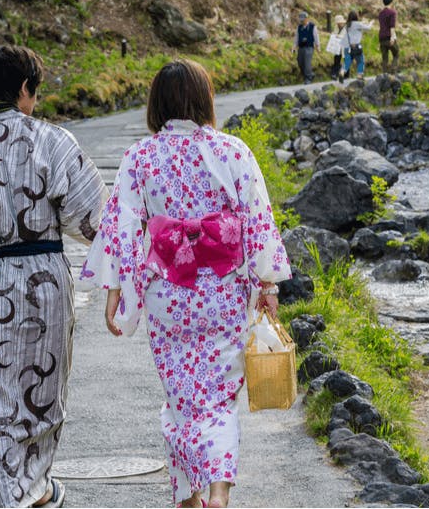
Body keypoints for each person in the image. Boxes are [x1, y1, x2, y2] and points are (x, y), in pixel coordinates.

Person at [81, 59, 292, 509]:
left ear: (157, 104)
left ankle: (188, 496)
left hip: (169, 295)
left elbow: (121, 226)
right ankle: (216, 491)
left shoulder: (141, 156)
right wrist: (269, 287)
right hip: (223, 293)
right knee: (217, 401)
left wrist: (115, 291)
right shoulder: (234, 152)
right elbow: (257, 220)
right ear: (204, 100)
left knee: (181, 399)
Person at [0, 44, 107, 508]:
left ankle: (16, 492)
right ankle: (34, 488)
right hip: (47, 277)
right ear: (25, 89)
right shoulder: (54, 140)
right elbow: (92, 218)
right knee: (45, 388)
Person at [340, 10, 372, 81]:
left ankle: (342, 72)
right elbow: (368, 28)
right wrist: (371, 23)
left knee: (347, 61)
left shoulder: (347, 25)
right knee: (360, 60)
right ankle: (359, 75)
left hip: (348, 46)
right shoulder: (357, 24)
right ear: (356, 16)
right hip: (356, 46)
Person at [292, 11, 319, 84]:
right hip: (301, 47)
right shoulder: (299, 27)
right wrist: (294, 47)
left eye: (303, 19)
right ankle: (310, 74)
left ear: (307, 19)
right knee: (300, 62)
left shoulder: (313, 26)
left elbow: (316, 37)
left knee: (307, 62)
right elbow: (296, 38)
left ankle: (308, 78)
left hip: (309, 47)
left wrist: (317, 46)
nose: (302, 21)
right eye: (301, 20)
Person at [378, 0, 400, 74]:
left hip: (381, 36)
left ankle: (384, 74)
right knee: (396, 53)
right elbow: (392, 26)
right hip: (388, 36)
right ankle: (393, 70)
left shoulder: (381, 13)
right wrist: (392, 37)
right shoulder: (392, 12)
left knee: (384, 57)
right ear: (391, 2)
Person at [330, 14, 347, 82]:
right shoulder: (336, 27)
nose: (338, 24)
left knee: (346, 60)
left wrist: (338, 36)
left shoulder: (346, 28)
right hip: (337, 47)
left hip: (345, 46)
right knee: (336, 59)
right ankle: (335, 73)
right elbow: (334, 34)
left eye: (339, 23)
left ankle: (346, 74)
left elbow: (345, 37)